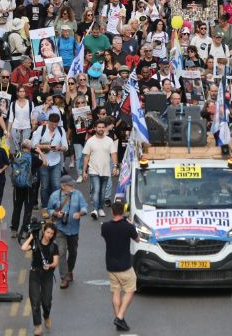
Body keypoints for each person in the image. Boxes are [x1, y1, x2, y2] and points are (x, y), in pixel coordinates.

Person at [101, 200, 139, 332]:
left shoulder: (105, 227)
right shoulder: (128, 227)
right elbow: (137, 239)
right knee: (130, 290)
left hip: (111, 266)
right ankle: (120, 316)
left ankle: (119, 320)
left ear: (112, 211)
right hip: (125, 266)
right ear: (123, 211)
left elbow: (105, 236)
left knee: (115, 292)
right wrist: (131, 225)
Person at [46, 174, 87, 289]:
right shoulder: (54, 196)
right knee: (62, 252)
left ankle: (70, 270)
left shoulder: (78, 194)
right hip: (60, 229)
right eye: (70, 185)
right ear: (63, 186)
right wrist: (55, 213)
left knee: (73, 252)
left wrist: (80, 213)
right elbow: (49, 209)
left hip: (73, 229)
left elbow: (84, 207)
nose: (72, 186)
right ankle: (64, 278)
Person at [21, 221, 58, 336]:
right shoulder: (35, 243)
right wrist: (31, 236)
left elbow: (55, 262)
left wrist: (50, 265)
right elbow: (23, 247)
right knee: (35, 302)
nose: (49, 235)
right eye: (47, 232)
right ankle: (38, 326)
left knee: (46, 302)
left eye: (51, 233)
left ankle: (46, 316)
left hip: (47, 275)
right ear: (43, 231)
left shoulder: (54, 246)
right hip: (35, 274)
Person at [82, 117, 119, 217]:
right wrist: (84, 171)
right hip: (93, 170)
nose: (101, 129)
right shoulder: (90, 141)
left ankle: (100, 208)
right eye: (99, 127)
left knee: (103, 192)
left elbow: (114, 154)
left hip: (106, 170)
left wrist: (115, 166)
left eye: (103, 127)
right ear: (95, 128)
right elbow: (86, 157)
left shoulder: (109, 140)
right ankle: (95, 209)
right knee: (96, 189)